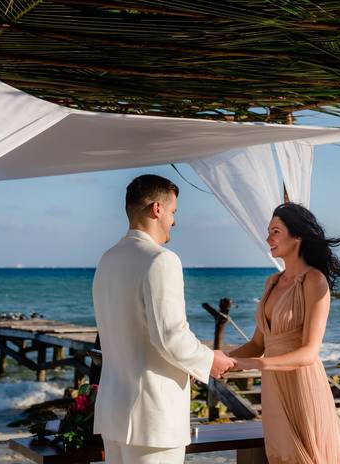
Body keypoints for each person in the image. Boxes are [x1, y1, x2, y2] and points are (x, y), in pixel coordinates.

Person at [93, 174, 235, 464]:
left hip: (113, 413)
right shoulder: (161, 260)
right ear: (157, 209)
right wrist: (210, 361)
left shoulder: (107, 260)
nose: (174, 221)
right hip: (152, 418)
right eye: (173, 212)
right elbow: (170, 337)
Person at [229, 203, 340, 464]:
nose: (268, 239)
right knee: (282, 456)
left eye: (275, 231)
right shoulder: (271, 282)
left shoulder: (314, 281)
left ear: (297, 236)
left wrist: (252, 364)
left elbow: (309, 353)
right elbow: (257, 343)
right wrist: (217, 361)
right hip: (273, 387)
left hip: (303, 385)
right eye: (269, 231)